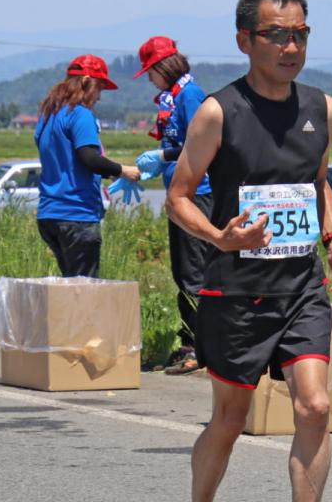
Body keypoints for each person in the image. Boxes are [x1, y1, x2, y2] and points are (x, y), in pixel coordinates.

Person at [166, 0, 332, 502]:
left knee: (317, 406)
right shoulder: (218, 113)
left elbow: (317, 181)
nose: (291, 45)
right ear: (245, 40)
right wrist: (221, 240)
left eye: (300, 33)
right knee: (230, 417)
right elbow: (177, 197)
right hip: (235, 292)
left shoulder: (322, 109)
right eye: (277, 34)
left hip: (300, 285)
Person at [131, 36, 213, 375]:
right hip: (180, 193)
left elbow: (203, 142)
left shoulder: (191, 96)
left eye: (150, 72)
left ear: (162, 68)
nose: (150, 79)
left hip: (197, 194)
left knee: (194, 272)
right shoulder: (174, 97)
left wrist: (163, 155)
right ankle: (192, 343)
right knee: (184, 272)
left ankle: (197, 347)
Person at [33, 55, 139, 278]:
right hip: (77, 214)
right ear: (86, 82)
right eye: (99, 87)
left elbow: (65, 159)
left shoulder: (48, 114)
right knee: (85, 290)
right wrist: (123, 170)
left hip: (48, 215)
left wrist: (105, 171)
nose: (99, 96)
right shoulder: (80, 114)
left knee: (70, 285)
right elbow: (89, 158)